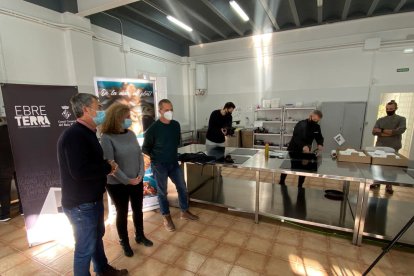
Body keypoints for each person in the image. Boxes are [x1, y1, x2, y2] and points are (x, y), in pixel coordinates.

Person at [57, 93, 127, 276]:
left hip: (92, 199)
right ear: (86, 109)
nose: (102, 111)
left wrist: (106, 167)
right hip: (81, 205)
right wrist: (106, 167)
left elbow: (89, 163)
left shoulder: (87, 133)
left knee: (96, 239)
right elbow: (79, 171)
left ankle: (102, 269)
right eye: (99, 106)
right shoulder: (74, 136)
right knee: (84, 248)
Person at [100, 103, 153, 257]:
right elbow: (111, 165)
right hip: (117, 184)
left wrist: (141, 173)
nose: (129, 120)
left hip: (136, 179)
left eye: (129, 117)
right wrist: (128, 180)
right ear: (116, 118)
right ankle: (124, 242)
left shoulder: (130, 134)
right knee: (122, 212)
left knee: (138, 209)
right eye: (126, 117)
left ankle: (140, 235)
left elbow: (139, 154)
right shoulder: (107, 138)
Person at [142, 99, 199, 232]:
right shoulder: (153, 129)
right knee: (162, 192)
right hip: (159, 165)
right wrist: (154, 159)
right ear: (160, 111)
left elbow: (175, 142)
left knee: (182, 188)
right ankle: (166, 217)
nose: (170, 112)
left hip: (173, 162)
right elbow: (145, 149)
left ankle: (184, 211)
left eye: (171, 109)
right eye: (166, 110)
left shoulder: (175, 125)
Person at [279, 110, 324, 188]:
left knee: (304, 169)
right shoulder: (301, 124)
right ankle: (281, 182)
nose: (315, 121)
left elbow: (319, 137)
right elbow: (296, 137)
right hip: (294, 148)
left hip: (306, 151)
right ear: (311, 116)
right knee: (287, 166)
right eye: (314, 119)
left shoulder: (317, 127)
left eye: (317, 120)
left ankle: (300, 185)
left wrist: (320, 144)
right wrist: (303, 146)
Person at [372, 100, 407, 194]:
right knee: (378, 165)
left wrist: (382, 130)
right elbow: (374, 132)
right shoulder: (381, 120)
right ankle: (376, 182)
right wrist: (391, 132)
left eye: (391, 109)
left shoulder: (401, 119)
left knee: (391, 167)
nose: (389, 110)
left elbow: (399, 131)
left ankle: (389, 185)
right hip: (380, 145)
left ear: (395, 108)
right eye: (387, 109)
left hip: (393, 146)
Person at [0, 118, 14, 222]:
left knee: (4, 191)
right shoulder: (12, 130)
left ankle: (5, 214)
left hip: (3, 165)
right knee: (21, 187)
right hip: (17, 163)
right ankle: (23, 210)